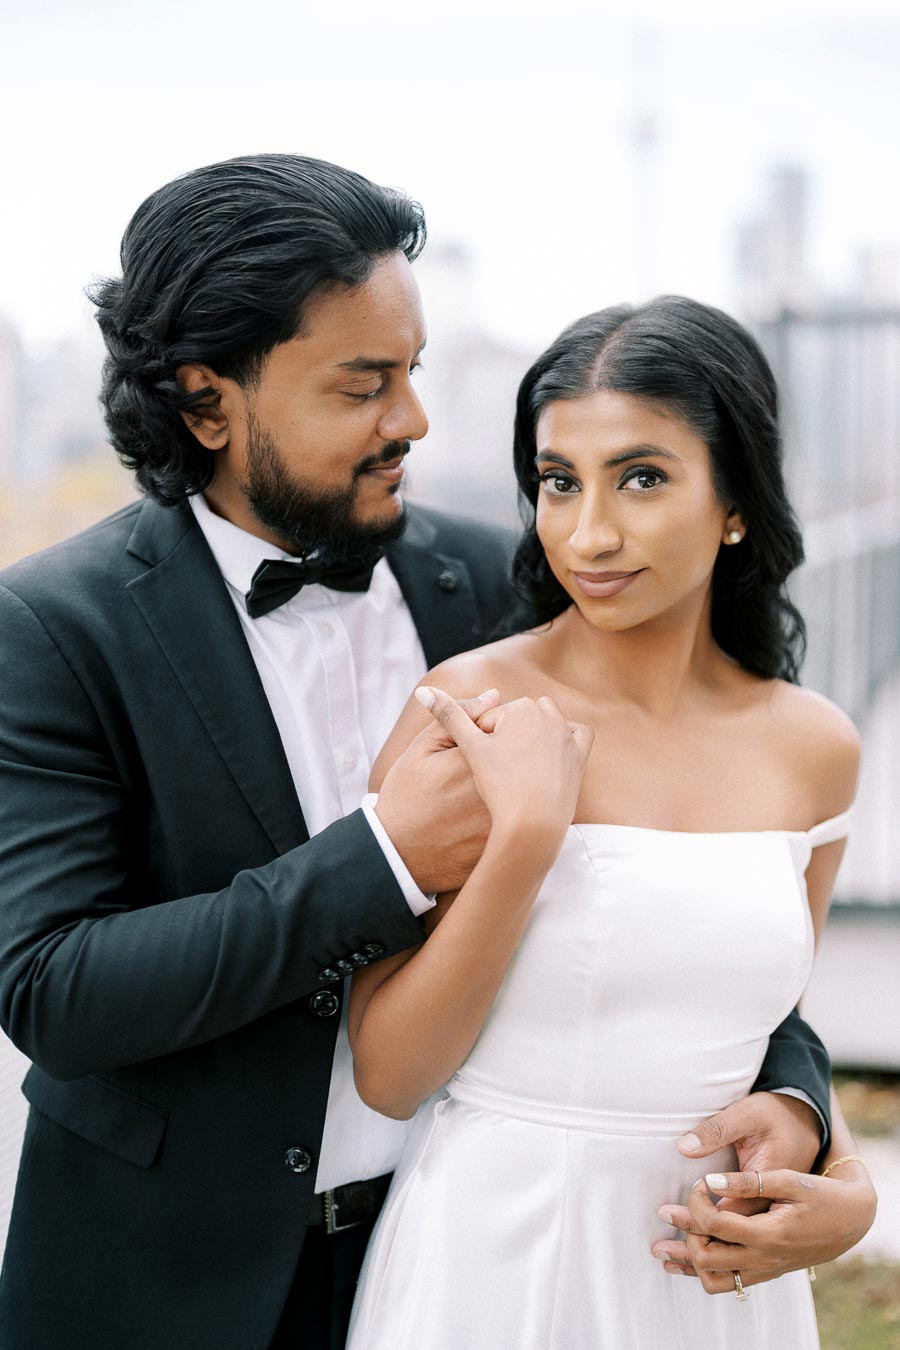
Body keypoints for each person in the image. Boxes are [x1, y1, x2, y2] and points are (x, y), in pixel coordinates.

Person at [0, 155, 871, 1350]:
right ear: (208, 399)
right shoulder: (54, 625)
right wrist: (382, 857)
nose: (412, 419)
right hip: (175, 1281)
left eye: (411, 374)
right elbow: (57, 989)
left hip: (465, 1250)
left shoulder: (506, 589)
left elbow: (672, 915)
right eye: (364, 385)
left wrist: (803, 1109)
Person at [345, 297, 876, 1348]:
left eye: (642, 478)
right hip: (491, 1261)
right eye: (558, 482)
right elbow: (390, 1073)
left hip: (715, 1280)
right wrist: (527, 841)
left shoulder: (815, 749)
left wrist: (848, 1187)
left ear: (736, 502)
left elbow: (763, 1027)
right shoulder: (469, 712)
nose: (588, 532)